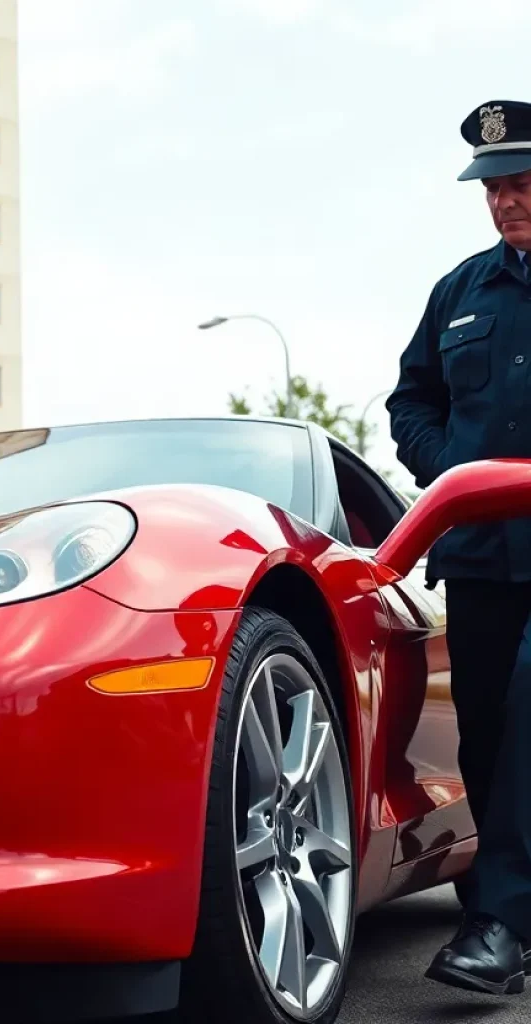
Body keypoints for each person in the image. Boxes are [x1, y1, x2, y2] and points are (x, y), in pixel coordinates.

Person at [387, 98, 531, 996]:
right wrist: (456, 472)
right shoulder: (458, 292)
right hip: (478, 556)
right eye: (493, 190)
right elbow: (411, 401)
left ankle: (499, 923)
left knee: (527, 711)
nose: (505, 202)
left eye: (519, 184)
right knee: (482, 736)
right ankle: (503, 911)